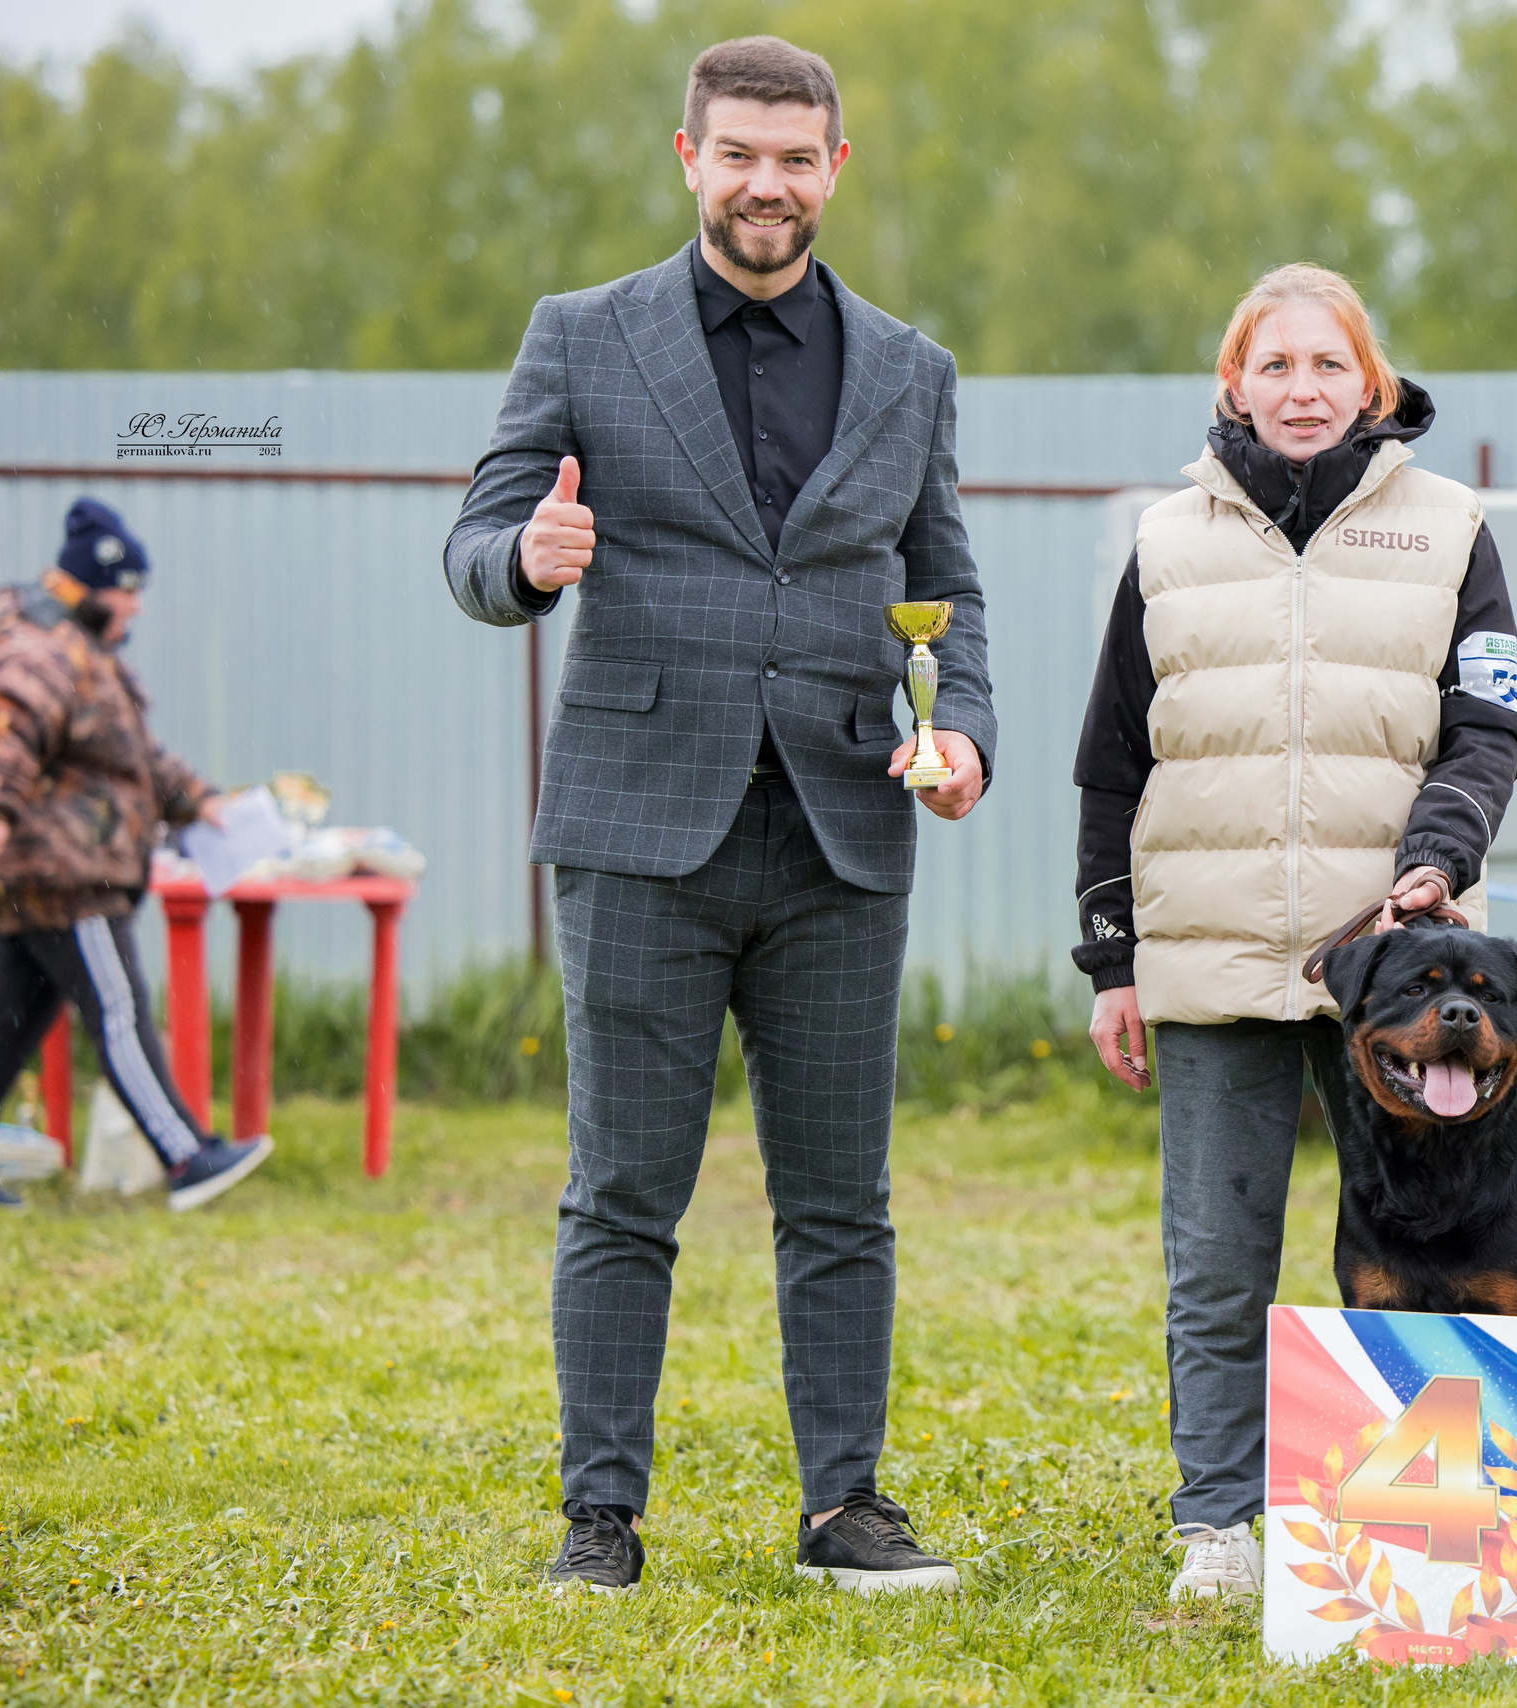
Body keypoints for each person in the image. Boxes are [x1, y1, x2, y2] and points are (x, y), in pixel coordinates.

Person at [444, 35, 995, 1595]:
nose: (769, 182)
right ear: (688, 156)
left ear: (837, 167)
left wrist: (961, 737)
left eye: (796, 155)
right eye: (739, 153)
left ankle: (847, 1513)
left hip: (839, 835)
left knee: (842, 1199)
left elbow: (943, 592)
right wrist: (523, 565)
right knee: (623, 1190)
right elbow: (480, 539)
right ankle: (599, 1520)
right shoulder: (581, 335)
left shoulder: (909, 367)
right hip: (637, 833)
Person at [1072, 264, 1517, 1598]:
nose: (1303, 389)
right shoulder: (1167, 542)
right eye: (1274, 366)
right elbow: (1111, 765)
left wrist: (1438, 859)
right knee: (1218, 1270)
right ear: (1233, 385)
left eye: (1329, 365)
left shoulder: (1454, 529)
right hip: (1209, 965)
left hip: (1403, 974)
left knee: (1442, 1256)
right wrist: (1114, 961)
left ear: (1370, 383)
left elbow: (1491, 726)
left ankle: (1439, 1519)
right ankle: (1218, 1524)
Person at [0, 498, 273, 1213]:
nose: (136, 611)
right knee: (118, 1012)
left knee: (9, 1017)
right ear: (95, 585)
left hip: (37, 871)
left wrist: (199, 799)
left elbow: (129, 759)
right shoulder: (42, 649)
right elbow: (6, 724)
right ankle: (186, 1156)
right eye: (130, 593)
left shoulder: (83, 652)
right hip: (64, 869)